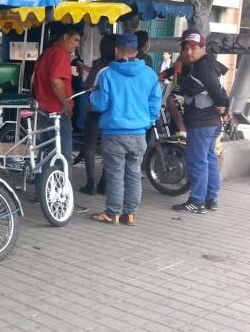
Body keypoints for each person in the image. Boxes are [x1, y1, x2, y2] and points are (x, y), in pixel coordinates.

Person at [89, 33, 161, 225]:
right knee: (134, 173)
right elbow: (155, 104)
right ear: (136, 52)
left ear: (116, 50)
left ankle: (113, 213)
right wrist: (148, 119)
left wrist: (91, 98)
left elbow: (100, 105)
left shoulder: (107, 74)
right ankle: (130, 213)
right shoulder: (150, 75)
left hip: (113, 133)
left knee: (115, 174)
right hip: (138, 133)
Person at [172, 30, 230, 214]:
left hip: (202, 122)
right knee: (210, 159)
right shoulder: (208, 63)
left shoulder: (202, 67)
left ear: (202, 48)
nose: (189, 52)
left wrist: (224, 105)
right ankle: (211, 199)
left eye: (194, 48)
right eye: (186, 48)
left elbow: (216, 90)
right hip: (211, 122)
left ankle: (197, 201)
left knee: (198, 161)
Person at [32, 25, 87, 212]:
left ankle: (44, 196)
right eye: (75, 40)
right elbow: (56, 81)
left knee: (47, 155)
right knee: (63, 156)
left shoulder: (45, 53)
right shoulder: (61, 54)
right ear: (65, 37)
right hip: (57, 112)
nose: (76, 45)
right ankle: (64, 199)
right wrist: (67, 104)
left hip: (43, 109)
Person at [78, 34, 118, 195]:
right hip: (112, 112)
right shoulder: (118, 68)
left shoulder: (99, 66)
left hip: (95, 110)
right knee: (108, 147)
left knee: (89, 145)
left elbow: (88, 86)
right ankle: (104, 182)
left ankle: (90, 183)